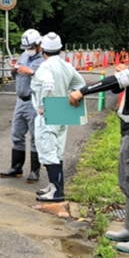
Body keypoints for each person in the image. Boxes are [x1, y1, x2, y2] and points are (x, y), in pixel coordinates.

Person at [69, 16, 129, 253]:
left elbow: (115, 80)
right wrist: (126, 72)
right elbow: (118, 85)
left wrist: (83, 91)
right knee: (127, 180)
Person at [30, 32, 85, 203]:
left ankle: (56, 191)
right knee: (57, 151)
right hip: (63, 111)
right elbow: (80, 84)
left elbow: (47, 83)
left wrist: (43, 103)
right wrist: (70, 95)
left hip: (48, 112)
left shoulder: (45, 67)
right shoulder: (66, 66)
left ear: (43, 49)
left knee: (47, 150)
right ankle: (55, 186)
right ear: (60, 49)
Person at [0, 29, 44, 182]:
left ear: (39, 45)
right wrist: (14, 70)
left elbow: (47, 78)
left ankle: (34, 171)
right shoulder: (24, 55)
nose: (28, 51)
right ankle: (16, 167)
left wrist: (31, 72)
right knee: (17, 134)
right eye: (26, 48)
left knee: (35, 136)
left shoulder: (45, 59)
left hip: (34, 101)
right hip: (20, 100)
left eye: (31, 47)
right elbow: (16, 74)